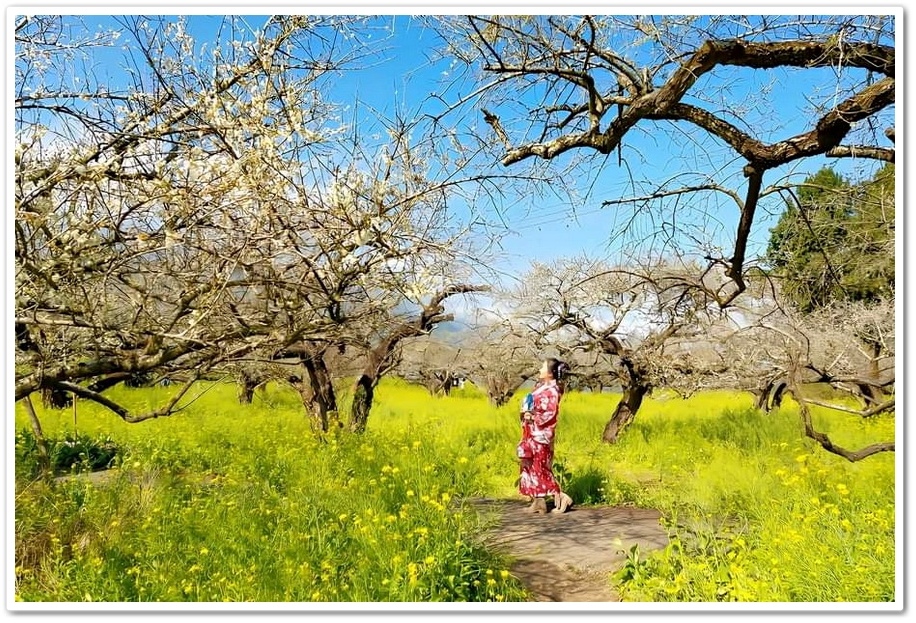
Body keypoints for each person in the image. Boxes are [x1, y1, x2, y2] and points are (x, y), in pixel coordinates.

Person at [517, 357, 573, 514]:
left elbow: (549, 413)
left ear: (550, 373)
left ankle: (562, 497)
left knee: (540, 467)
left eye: (543, 367)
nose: (540, 370)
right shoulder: (541, 387)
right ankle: (538, 502)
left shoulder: (552, 391)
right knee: (531, 466)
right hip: (531, 432)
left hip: (541, 435)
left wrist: (532, 416)